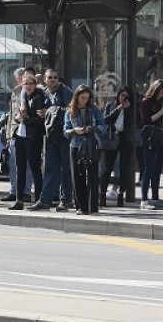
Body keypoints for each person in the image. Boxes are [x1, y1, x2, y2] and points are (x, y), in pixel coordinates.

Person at [60, 85, 104, 215]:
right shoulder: (70, 111)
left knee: (93, 176)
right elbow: (66, 131)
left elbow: (103, 126)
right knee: (78, 176)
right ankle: (81, 207)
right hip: (76, 145)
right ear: (77, 97)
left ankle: (93, 207)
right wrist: (75, 130)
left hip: (91, 144)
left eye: (87, 98)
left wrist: (92, 128)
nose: (84, 100)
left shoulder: (94, 110)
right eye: (82, 97)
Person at [8, 74, 45, 210]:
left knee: (35, 168)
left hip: (32, 137)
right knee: (20, 168)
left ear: (35, 85)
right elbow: (16, 118)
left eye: (31, 83)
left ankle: (39, 199)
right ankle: (19, 200)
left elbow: (40, 120)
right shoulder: (22, 97)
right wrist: (20, 117)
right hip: (20, 135)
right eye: (26, 84)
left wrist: (26, 119)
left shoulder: (38, 97)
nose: (28, 86)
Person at [39, 69, 74, 211]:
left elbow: (71, 109)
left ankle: (66, 200)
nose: (53, 79)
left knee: (66, 169)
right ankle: (45, 200)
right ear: (44, 79)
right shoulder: (44, 92)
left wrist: (50, 111)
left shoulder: (65, 91)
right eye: (50, 77)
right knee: (49, 168)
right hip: (50, 134)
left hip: (63, 134)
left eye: (55, 77)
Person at [0, 68, 35, 202]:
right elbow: (11, 115)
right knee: (12, 163)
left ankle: (26, 192)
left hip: (29, 132)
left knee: (27, 165)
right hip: (15, 130)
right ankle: (14, 191)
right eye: (20, 78)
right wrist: (8, 134)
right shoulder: (15, 92)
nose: (22, 80)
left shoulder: (35, 92)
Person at [99, 87, 136, 208]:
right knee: (107, 168)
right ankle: (102, 195)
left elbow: (131, 123)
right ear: (118, 95)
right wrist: (118, 109)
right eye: (122, 95)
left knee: (123, 168)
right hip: (111, 137)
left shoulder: (131, 108)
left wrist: (127, 109)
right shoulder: (111, 105)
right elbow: (106, 120)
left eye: (126, 96)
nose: (124, 98)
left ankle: (120, 195)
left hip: (124, 139)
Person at [139, 79, 163, 210]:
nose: (161, 96)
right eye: (160, 93)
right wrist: (161, 112)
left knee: (157, 169)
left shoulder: (161, 102)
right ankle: (144, 199)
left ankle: (155, 197)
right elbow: (146, 120)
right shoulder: (145, 102)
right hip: (149, 137)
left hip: (160, 137)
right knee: (149, 168)